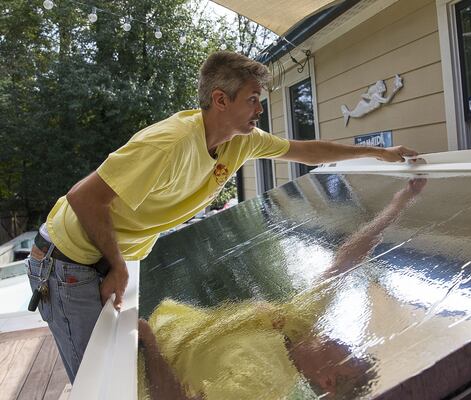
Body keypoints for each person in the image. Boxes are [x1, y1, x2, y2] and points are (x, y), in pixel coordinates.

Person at [26, 50, 419, 383]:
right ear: (220, 100)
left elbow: (306, 151)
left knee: (118, 376)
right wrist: (118, 265)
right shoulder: (170, 143)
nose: (259, 108)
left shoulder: (241, 142)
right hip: (68, 260)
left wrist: (377, 154)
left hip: (99, 256)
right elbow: (84, 197)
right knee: (101, 383)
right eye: (252, 99)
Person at [137, 179, 427, 400]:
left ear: (327, 381)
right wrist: (399, 205)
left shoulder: (262, 385)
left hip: (126, 367)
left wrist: (149, 344)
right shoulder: (299, 324)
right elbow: (345, 261)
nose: (343, 343)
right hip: (146, 329)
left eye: (347, 355)